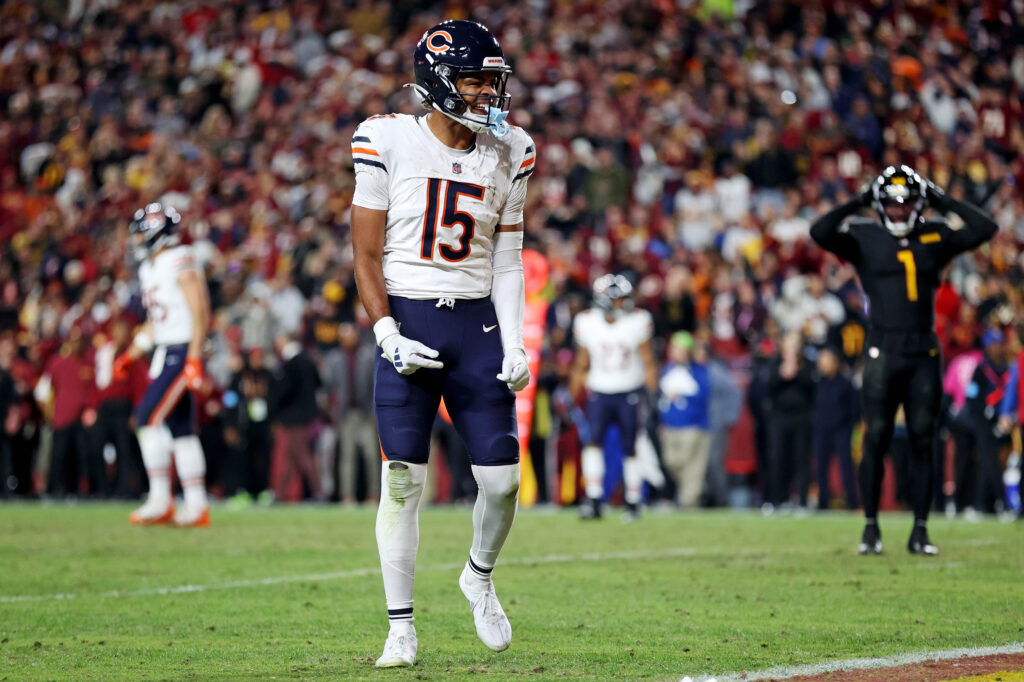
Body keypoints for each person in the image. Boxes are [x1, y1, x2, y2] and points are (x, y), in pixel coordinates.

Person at [350, 20, 533, 668]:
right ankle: (400, 628)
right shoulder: (386, 139)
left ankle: (478, 574)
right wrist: (386, 334)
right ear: (437, 81)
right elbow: (366, 256)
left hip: (476, 324)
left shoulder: (514, 149)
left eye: (493, 78)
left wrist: (515, 345)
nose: (488, 92)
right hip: (408, 319)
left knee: (503, 482)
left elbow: (508, 260)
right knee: (401, 480)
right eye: (475, 78)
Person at [810, 165, 998, 555]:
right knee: (876, 438)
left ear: (919, 203)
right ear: (879, 205)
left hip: (923, 353)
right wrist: (857, 200)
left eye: (907, 203)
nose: (899, 212)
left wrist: (941, 198)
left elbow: (985, 228)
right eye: (891, 204)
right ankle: (870, 527)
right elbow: (820, 231)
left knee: (922, 441)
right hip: (882, 350)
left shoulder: (936, 234)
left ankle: (920, 530)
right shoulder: (865, 235)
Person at [114, 202, 212, 527]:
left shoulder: (179, 258)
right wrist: (132, 352)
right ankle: (197, 506)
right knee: (181, 429)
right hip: (167, 350)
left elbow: (200, 311)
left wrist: (195, 356)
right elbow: (157, 321)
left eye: (142, 233)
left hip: (182, 350)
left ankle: (160, 500)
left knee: (146, 418)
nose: (138, 240)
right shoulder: (150, 268)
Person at [571, 274, 659, 520]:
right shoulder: (587, 322)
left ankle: (633, 500)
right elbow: (581, 363)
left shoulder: (638, 321)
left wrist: (652, 394)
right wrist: (572, 395)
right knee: (593, 443)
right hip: (599, 390)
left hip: (629, 390)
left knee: (631, 447)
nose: (623, 303)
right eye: (619, 299)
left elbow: (648, 361)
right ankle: (594, 497)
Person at [657, 331, 711, 509]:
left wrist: (682, 395)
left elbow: (703, 396)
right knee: (671, 461)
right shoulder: (667, 369)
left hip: (693, 427)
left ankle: (690, 503)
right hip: (671, 427)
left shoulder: (699, 371)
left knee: (692, 467)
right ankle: (695, 492)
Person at [811, 346, 860, 511]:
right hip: (821, 430)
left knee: (846, 466)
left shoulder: (846, 383)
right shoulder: (817, 383)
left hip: (842, 430)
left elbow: (855, 408)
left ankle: (852, 501)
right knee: (821, 467)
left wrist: (849, 425)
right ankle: (823, 502)